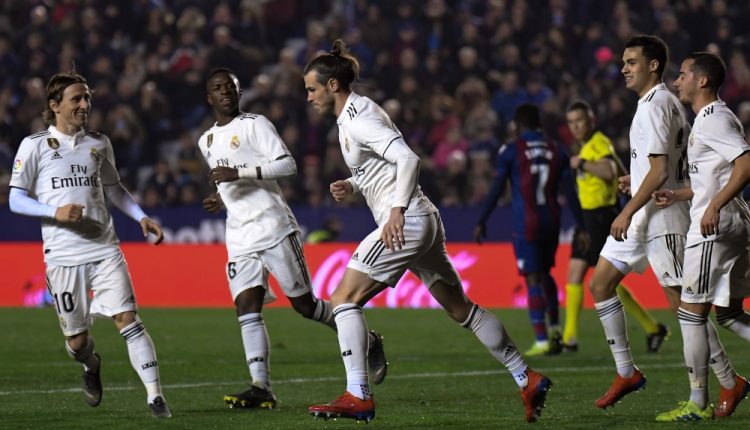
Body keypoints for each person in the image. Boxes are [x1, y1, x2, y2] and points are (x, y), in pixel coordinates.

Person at [302, 40, 551, 424]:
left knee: (343, 300)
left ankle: (358, 394)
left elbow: (408, 159)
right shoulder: (358, 113)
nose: (309, 97)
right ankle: (526, 376)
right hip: (424, 220)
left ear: (332, 85)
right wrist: (352, 184)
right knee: (460, 308)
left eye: (312, 89)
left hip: (407, 221)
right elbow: (382, 165)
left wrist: (396, 212)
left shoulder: (357, 119)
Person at [197, 68, 388, 410]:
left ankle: (369, 341)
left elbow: (287, 165)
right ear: (209, 97)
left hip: (273, 227)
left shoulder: (256, 125)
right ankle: (261, 387)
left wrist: (238, 173)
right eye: (218, 88)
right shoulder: (206, 140)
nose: (225, 91)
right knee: (246, 306)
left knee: (305, 306)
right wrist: (221, 197)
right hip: (239, 236)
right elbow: (229, 182)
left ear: (239, 93)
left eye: (230, 86)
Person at [589, 36, 741, 413]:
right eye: (623, 62)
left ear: (653, 65)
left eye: (631, 62)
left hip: (662, 217)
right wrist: (637, 179)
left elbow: (660, 170)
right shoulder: (663, 102)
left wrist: (626, 210)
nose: (624, 69)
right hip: (648, 208)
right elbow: (665, 163)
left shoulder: (656, 105)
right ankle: (626, 372)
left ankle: (728, 380)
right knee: (600, 283)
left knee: (685, 308)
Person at [8, 72, 171, 417]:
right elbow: (16, 199)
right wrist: (55, 211)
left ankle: (156, 397)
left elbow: (113, 189)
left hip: (105, 249)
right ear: (55, 106)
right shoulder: (34, 145)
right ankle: (91, 364)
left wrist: (140, 216)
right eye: (77, 99)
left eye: (87, 98)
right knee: (77, 341)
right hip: (63, 256)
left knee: (128, 318)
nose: (85, 105)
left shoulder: (99, 143)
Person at [653, 52, 750, 421]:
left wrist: (713, 206)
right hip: (732, 222)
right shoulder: (711, 119)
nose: (677, 81)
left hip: (713, 228)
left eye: (683, 75)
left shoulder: (714, 120)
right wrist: (679, 195)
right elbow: (716, 178)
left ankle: (696, 402)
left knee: (690, 313)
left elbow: (746, 164)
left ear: (702, 80)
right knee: (729, 313)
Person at [474, 103, 584, 357]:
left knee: (533, 277)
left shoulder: (511, 150)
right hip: (552, 221)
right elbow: (569, 191)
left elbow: (496, 189)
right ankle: (555, 329)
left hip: (527, 223)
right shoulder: (557, 149)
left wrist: (482, 220)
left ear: (517, 125)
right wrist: (581, 224)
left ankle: (542, 339)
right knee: (546, 273)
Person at [563, 100, 669, 352]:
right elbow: (619, 170)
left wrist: (582, 164)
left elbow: (609, 170)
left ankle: (652, 327)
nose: (575, 126)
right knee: (575, 275)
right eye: (571, 122)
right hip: (587, 219)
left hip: (601, 217)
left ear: (591, 121)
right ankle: (569, 339)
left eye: (579, 120)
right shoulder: (586, 145)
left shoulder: (598, 143)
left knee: (605, 281)